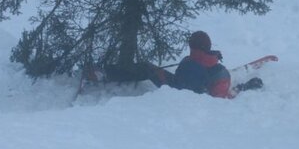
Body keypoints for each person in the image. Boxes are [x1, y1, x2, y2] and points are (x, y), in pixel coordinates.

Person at [89, 31, 261, 98]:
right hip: (186, 89)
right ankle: (108, 74)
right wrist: (243, 87)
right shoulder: (218, 68)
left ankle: (107, 75)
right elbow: (222, 95)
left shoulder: (191, 62)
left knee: (147, 69)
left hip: (179, 92)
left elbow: (217, 101)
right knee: (149, 68)